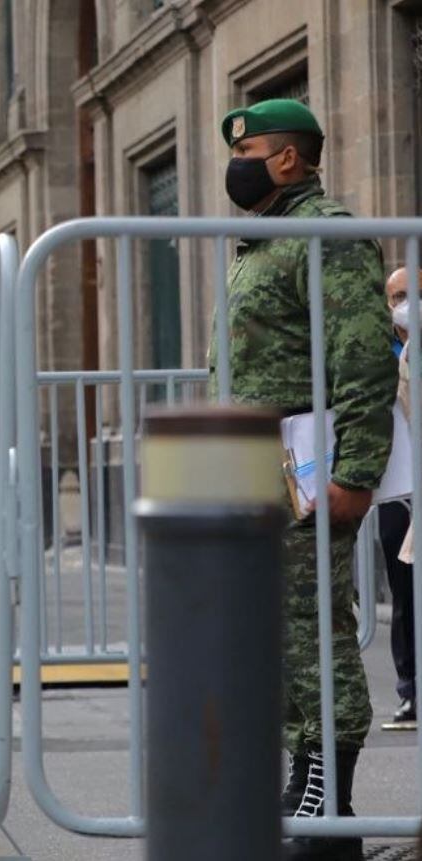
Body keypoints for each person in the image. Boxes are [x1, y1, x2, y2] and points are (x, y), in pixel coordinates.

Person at [211, 98, 396, 860]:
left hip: (306, 465)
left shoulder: (329, 234)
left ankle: (332, 805)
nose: (238, 161)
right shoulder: (260, 240)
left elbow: (360, 358)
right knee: (278, 633)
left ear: (287, 158)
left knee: (314, 628)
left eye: (248, 147)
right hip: (259, 461)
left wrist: (354, 472)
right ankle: (301, 779)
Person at [380, 268, 417, 729]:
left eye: (415, 295)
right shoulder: (377, 350)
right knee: (403, 590)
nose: (406, 304)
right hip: (397, 485)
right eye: (399, 296)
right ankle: (410, 689)